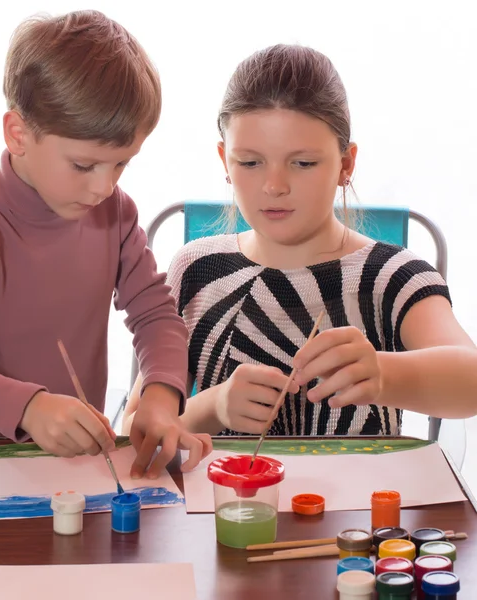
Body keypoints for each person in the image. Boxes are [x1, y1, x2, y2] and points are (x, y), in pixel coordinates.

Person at [0, 10, 210, 477]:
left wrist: (160, 399)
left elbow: (157, 316)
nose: (104, 187)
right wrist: (29, 407)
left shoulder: (115, 213)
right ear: (19, 135)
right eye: (84, 166)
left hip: (76, 471)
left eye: (121, 164)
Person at [124, 44, 477, 438]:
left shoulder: (391, 276)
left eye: (303, 163)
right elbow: (135, 433)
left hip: (359, 501)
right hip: (226, 501)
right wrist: (213, 406)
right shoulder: (196, 268)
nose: (274, 186)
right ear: (225, 160)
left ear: (346, 164)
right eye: (250, 162)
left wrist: (382, 373)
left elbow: (471, 380)